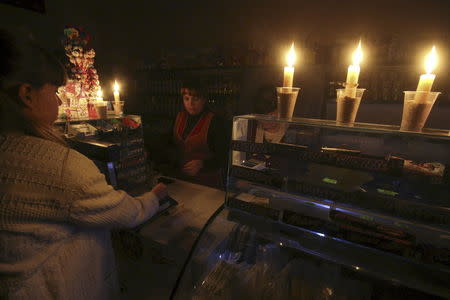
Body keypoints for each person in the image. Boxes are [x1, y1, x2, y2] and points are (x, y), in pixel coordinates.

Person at [0, 30, 167, 299]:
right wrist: (154, 197)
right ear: (27, 94)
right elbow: (126, 213)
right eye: (54, 91)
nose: (58, 100)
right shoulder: (59, 167)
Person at [171, 79, 229, 188]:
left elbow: (224, 157)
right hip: (182, 181)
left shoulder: (215, 122)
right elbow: (170, 144)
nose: (190, 104)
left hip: (208, 183)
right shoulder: (179, 117)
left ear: (204, 99)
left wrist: (203, 164)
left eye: (195, 99)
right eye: (186, 99)